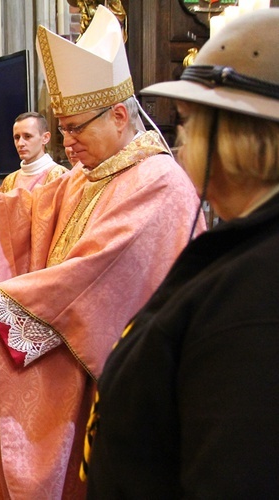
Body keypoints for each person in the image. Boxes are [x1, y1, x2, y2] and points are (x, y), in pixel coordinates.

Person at [0, 6, 203, 498]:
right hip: (74, 349)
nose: (68, 144)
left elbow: (92, 275)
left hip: (117, 370)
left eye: (76, 128)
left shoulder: (156, 183)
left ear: (119, 115)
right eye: (63, 128)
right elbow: (35, 211)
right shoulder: (93, 170)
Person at [84, 9, 279, 497]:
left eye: (190, 122)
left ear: (235, 137)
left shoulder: (258, 294)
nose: (179, 138)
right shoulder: (246, 244)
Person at [0, 112, 67, 193]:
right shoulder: (9, 181)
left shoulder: (61, 176)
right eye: (17, 137)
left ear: (45, 138)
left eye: (27, 136)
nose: (20, 143)